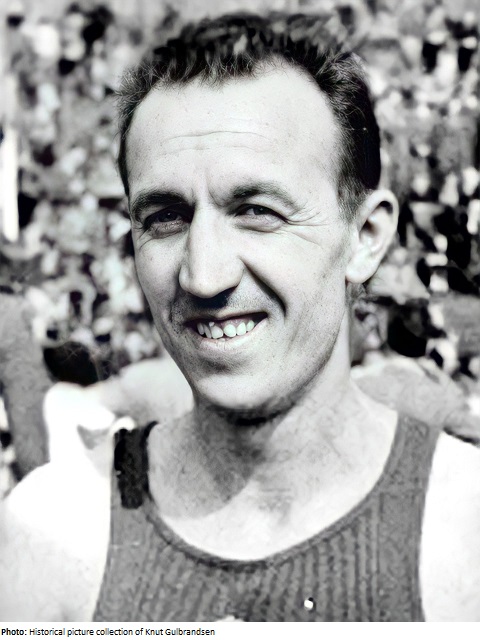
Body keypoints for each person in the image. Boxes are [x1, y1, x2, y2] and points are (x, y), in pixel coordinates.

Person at [1, 12, 479, 622]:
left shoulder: (464, 536)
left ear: (364, 237)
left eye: (257, 212)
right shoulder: (54, 538)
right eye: (166, 218)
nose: (203, 276)